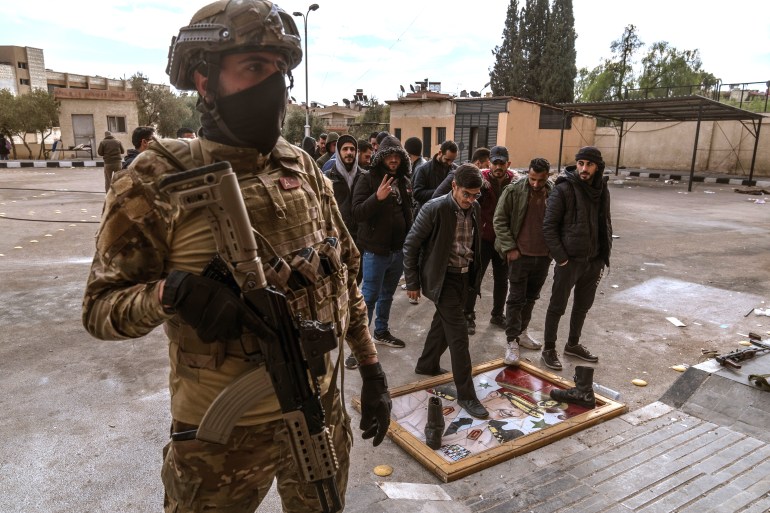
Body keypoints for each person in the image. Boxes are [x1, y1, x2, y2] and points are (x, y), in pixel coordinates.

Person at [82, 2, 391, 511]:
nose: (275, 87)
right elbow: (99, 310)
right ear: (204, 80)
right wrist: (169, 293)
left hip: (320, 412)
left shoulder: (303, 167)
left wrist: (372, 369)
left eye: (280, 71)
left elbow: (343, 279)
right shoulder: (153, 180)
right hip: (220, 438)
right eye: (254, 67)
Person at [403, 164, 488, 419]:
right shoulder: (435, 208)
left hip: (464, 278)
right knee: (459, 337)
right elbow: (411, 245)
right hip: (442, 279)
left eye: (475, 195)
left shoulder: (475, 208)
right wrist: (413, 282)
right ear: (454, 186)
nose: (471, 200)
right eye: (466, 194)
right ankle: (467, 396)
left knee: (443, 322)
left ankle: (426, 364)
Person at [540, 146, 612, 370]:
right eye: (581, 163)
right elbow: (549, 227)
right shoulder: (564, 189)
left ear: (597, 167)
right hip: (569, 261)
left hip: (594, 259)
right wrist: (561, 258)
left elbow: (605, 222)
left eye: (589, 165)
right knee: (557, 305)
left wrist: (603, 255)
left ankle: (572, 344)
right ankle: (549, 349)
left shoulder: (602, 189)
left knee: (582, 306)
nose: (584, 169)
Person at [352, 135, 413, 350]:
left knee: (387, 295)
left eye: (397, 156)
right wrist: (376, 198)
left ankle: (381, 332)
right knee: (369, 297)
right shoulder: (367, 179)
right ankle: (361, 344)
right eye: (390, 156)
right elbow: (357, 212)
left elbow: (408, 214)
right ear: (381, 158)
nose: (394, 160)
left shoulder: (404, 181)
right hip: (375, 252)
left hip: (397, 251)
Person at [493, 157, 553, 365]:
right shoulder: (514, 190)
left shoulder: (553, 192)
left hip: (543, 256)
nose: (536, 184)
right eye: (532, 178)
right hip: (519, 256)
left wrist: (553, 251)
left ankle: (522, 332)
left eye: (541, 180)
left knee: (531, 298)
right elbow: (499, 220)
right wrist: (510, 248)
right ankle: (511, 342)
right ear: (528, 173)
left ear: (548, 176)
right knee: (515, 299)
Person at [463, 145, 515, 335]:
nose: (498, 166)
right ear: (489, 163)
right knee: (475, 277)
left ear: (508, 164)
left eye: (502, 163)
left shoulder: (514, 181)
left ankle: (497, 314)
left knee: (502, 280)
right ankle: (468, 314)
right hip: (482, 239)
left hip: (502, 240)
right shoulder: (480, 179)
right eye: (495, 162)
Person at [412, 140, 458, 213]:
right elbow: (417, 194)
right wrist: (441, 190)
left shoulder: (456, 170)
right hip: (428, 213)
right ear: (440, 153)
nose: (449, 163)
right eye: (447, 159)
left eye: (452, 160)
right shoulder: (423, 169)